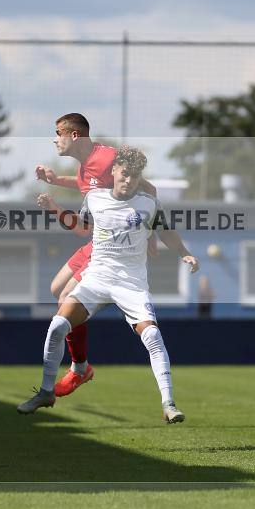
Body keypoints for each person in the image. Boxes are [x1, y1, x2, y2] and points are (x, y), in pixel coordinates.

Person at [20, 146, 199, 423]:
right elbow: (83, 228)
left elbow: (166, 231)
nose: (129, 180)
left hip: (131, 284)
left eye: (135, 176)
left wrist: (184, 253)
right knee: (57, 324)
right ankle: (46, 392)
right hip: (97, 277)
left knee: (152, 336)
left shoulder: (148, 203)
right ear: (113, 171)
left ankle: (169, 404)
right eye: (125, 174)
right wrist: (55, 208)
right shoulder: (94, 198)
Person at [34, 113, 157, 398]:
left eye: (58, 133)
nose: (55, 139)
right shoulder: (85, 164)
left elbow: (149, 189)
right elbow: (87, 184)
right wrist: (54, 179)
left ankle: (79, 369)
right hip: (93, 240)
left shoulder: (107, 157)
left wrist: (153, 230)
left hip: (110, 247)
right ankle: (80, 366)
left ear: (73, 135)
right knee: (56, 290)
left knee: (65, 299)